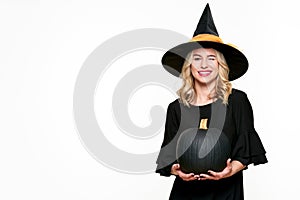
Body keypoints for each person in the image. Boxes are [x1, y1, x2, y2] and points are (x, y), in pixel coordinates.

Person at [156, 3, 268, 200]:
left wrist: (230, 170)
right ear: (189, 66)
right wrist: (176, 170)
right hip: (185, 194)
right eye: (197, 58)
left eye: (211, 58)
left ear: (220, 65)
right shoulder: (176, 108)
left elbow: (246, 149)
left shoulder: (237, 101)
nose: (204, 65)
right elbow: (168, 157)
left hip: (226, 193)